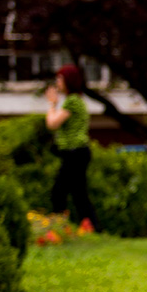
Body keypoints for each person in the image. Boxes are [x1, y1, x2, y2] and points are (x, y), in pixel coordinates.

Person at [44, 64, 97, 230]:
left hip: (75, 152)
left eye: (60, 79)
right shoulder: (74, 101)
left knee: (59, 191)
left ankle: (58, 227)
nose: (58, 83)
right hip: (77, 153)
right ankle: (91, 226)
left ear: (68, 80)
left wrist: (52, 104)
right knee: (78, 193)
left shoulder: (72, 101)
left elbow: (52, 123)